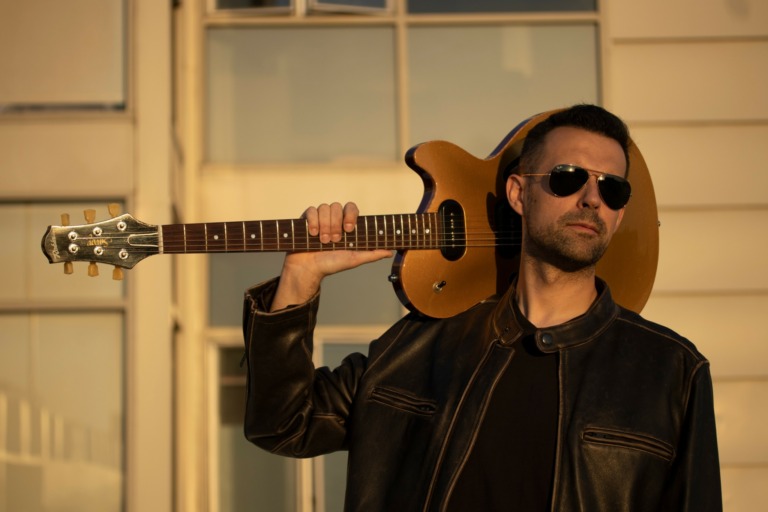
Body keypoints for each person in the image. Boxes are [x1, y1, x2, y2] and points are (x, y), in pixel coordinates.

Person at [241, 105, 722, 511]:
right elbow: (283, 424)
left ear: (619, 213)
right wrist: (301, 276)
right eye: (568, 178)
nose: (592, 198)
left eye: (612, 188)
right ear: (518, 194)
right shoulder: (420, 347)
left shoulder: (671, 372)